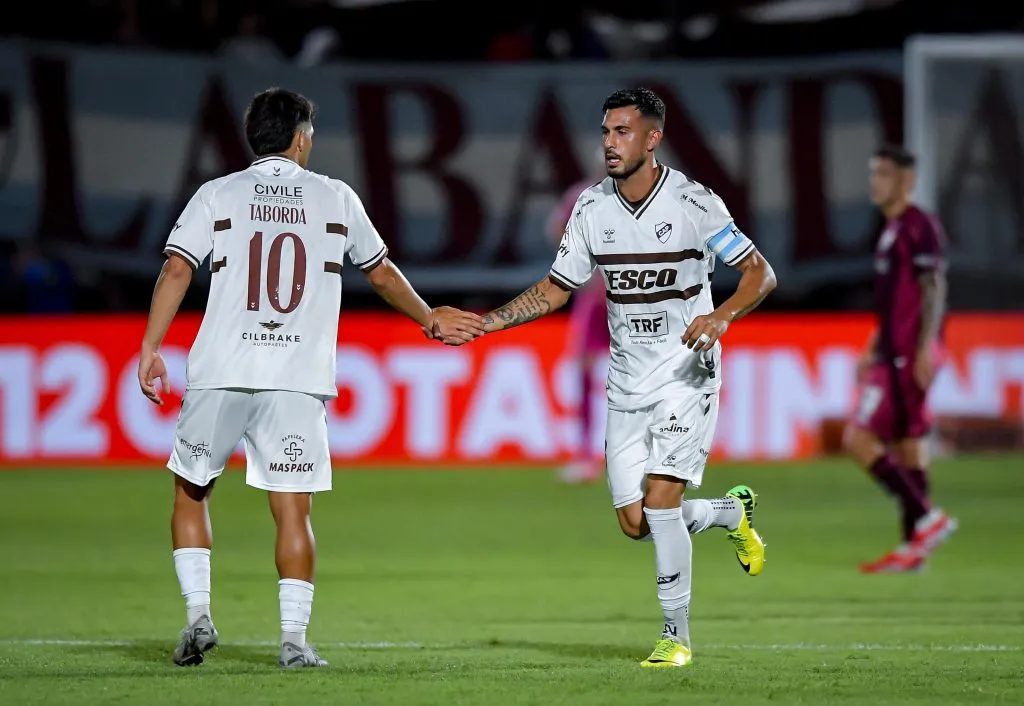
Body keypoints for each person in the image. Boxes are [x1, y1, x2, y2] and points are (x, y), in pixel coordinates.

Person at [137, 88, 483, 669]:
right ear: (300, 137)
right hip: (296, 378)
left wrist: (150, 346)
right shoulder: (334, 197)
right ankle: (294, 642)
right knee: (292, 510)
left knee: (191, 489)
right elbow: (380, 273)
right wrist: (428, 318)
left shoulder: (218, 194)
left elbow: (176, 267)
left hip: (222, 368)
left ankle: (198, 615)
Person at [436, 88, 775, 667]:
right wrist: (486, 324)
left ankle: (677, 636)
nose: (610, 144)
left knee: (663, 501)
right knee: (635, 521)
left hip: (685, 374)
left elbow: (759, 274)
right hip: (627, 383)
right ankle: (727, 513)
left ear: (652, 137)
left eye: (622, 132)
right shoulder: (591, 210)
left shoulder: (695, 203)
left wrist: (720, 316)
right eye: (606, 132)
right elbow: (554, 288)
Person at [844, 144, 957, 574]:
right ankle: (914, 548)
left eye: (885, 174)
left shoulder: (918, 226)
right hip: (893, 351)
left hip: (910, 354)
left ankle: (927, 519)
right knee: (909, 446)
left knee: (857, 439)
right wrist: (873, 344)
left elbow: (934, 288)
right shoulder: (891, 230)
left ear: (907, 180)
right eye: (873, 173)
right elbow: (895, 300)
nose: (876, 181)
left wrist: (926, 345)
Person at [545, 151, 608, 483]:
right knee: (584, 367)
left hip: (634, 302)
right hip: (597, 302)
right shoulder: (583, 198)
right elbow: (555, 227)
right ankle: (586, 455)